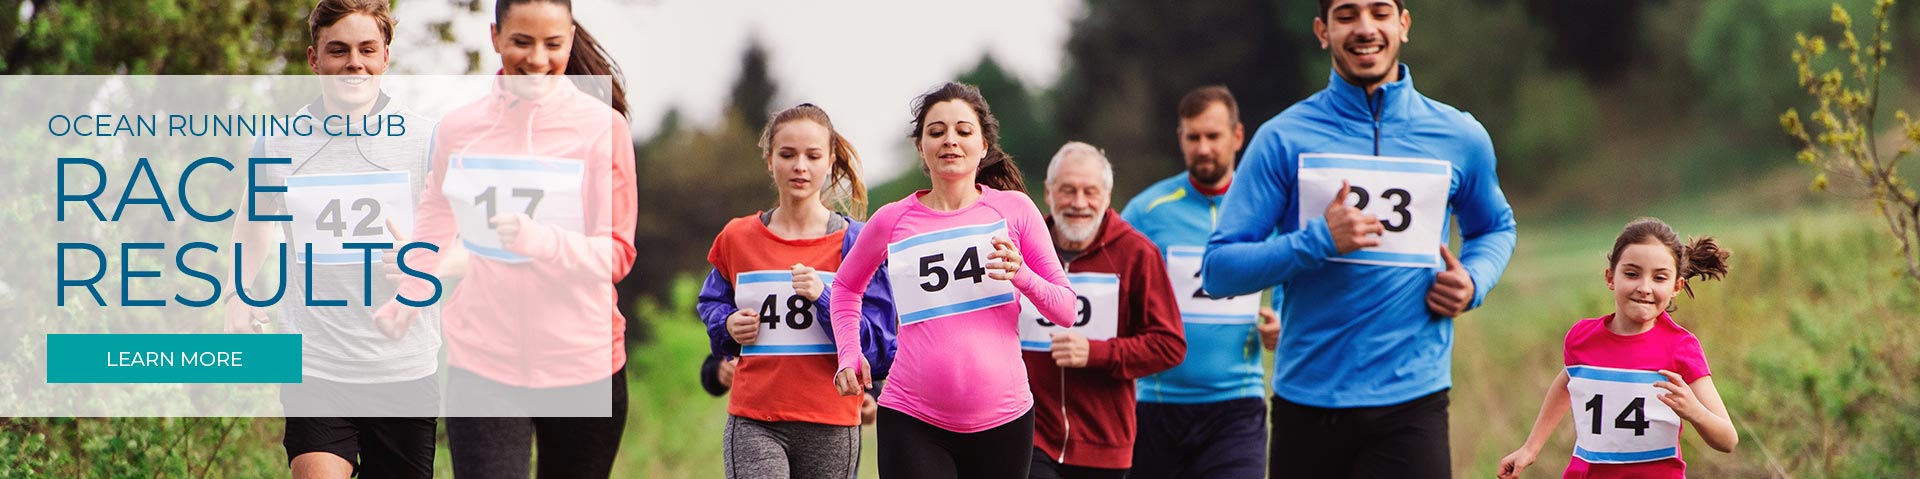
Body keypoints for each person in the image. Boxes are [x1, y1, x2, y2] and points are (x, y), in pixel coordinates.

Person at [1201, 0, 1520, 476]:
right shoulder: (1282, 138)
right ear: (1322, 31)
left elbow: (1494, 226)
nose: (1365, 28)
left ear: (1403, 24)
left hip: (1413, 402)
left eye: (1379, 12)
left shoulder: (1460, 135)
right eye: (1347, 15)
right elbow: (1219, 270)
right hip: (1308, 404)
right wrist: (1316, 241)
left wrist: (1474, 280)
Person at [371, 0, 636, 476]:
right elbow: (437, 215)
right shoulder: (460, 129)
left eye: (553, 44)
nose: (537, 59)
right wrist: (409, 295)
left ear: (571, 40)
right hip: (483, 363)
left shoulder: (604, 129)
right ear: (495, 37)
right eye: (521, 42)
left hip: (583, 365)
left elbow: (616, 255)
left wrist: (540, 241)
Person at [227, 1, 441, 476]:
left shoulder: (426, 140)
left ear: (386, 56)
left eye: (367, 50)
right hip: (315, 367)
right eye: (338, 50)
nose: (353, 63)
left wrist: (423, 261)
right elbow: (255, 219)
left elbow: (460, 238)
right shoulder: (278, 142)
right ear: (314, 59)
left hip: (403, 368)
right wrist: (237, 293)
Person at [828, 82, 1078, 479]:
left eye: (963, 131)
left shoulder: (1014, 210)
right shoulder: (892, 219)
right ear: (921, 147)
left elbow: (1066, 310)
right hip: (912, 418)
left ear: (983, 146)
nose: (950, 140)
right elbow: (845, 288)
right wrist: (848, 352)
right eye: (936, 131)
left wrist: (1022, 275)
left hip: (1005, 420)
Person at [696, 103, 896, 478]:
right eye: (787, 155)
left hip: (832, 421)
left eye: (812, 156)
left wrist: (825, 298)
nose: (799, 166)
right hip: (755, 419)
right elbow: (711, 303)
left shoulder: (858, 243)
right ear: (769, 160)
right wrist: (727, 324)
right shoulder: (736, 238)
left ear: (830, 161)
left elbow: (879, 347)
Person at [1496, 218, 1738, 479]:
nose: (1644, 288)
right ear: (1610, 277)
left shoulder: (1680, 347)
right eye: (1632, 274)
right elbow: (1568, 380)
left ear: (1676, 287)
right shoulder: (1581, 338)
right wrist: (1530, 448)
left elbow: (1728, 440)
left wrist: (1695, 412)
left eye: (1659, 278)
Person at [1121, 85, 1279, 479]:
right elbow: (1113, 287)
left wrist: (1284, 323)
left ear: (1237, 136)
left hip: (1237, 405)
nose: (1203, 148)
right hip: (1157, 405)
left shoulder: (1267, 207)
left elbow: (1294, 279)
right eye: (1193, 137)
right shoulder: (1147, 211)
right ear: (1181, 138)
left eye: (1213, 136)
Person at [1021, 142, 1185, 479]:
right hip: (1031, 436)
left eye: (1090, 192)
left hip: (1104, 443)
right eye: (1068, 190)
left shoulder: (1138, 254)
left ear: (1107, 197)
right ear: (1049, 193)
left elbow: (1169, 345)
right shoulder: (1023, 250)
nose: (1079, 203)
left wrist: (1096, 353)